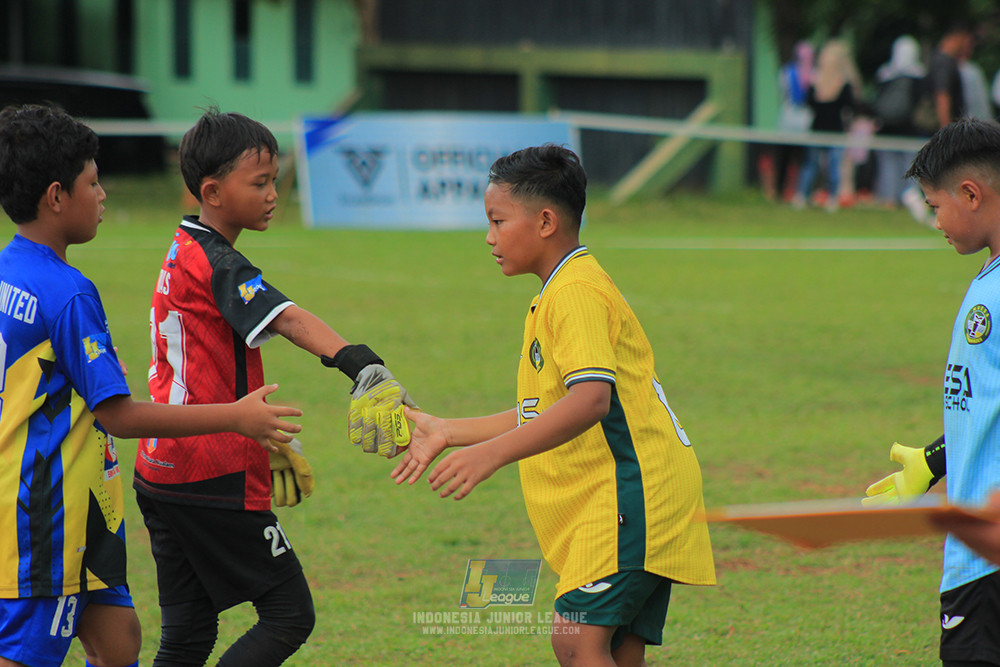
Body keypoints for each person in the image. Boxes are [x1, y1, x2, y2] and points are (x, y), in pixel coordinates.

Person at [0, 103, 303, 667]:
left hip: (83, 507)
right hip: (44, 512)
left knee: (120, 643)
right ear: (56, 196)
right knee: (25, 655)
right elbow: (118, 416)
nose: (104, 193)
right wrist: (236, 417)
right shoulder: (66, 292)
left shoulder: (7, 272)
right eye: (93, 182)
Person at [391, 145, 715, 667]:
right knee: (614, 649)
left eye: (497, 221)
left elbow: (590, 401)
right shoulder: (561, 289)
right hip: (634, 493)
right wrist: (449, 430)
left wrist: (492, 455)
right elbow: (548, 408)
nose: (489, 237)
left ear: (544, 221)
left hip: (631, 493)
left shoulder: (576, 293)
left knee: (575, 640)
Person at [132, 108, 414, 666]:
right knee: (289, 613)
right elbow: (285, 317)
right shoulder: (216, 259)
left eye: (274, 181)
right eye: (259, 183)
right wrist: (361, 364)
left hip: (161, 468)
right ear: (212, 191)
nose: (272, 194)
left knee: (187, 635)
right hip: (207, 472)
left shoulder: (185, 246)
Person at [864, 117, 1000, 666]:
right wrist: (936, 459)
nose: (934, 221)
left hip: (988, 555)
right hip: (976, 550)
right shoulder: (988, 279)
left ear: (971, 194)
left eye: (935, 205)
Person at [791, 39, 860, 212]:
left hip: (827, 129)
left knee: (824, 166)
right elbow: (849, 106)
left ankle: (818, 196)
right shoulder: (824, 80)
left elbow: (848, 106)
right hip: (826, 129)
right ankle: (812, 196)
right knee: (818, 165)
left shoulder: (832, 81)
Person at [872, 35, 927, 208]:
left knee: (888, 167)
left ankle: (888, 199)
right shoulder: (919, 75)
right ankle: (910, 199)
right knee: (910, 166)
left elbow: (876, 101)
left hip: (886, 127)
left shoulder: (884, 73)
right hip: (909, 128)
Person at [763, 41, 814, 202]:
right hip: (790, 119)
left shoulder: (811, 74)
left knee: (803, 159)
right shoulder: (788, 72)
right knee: (785, 157)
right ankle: (779, 191)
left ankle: (800, 192)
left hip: (804, 120)